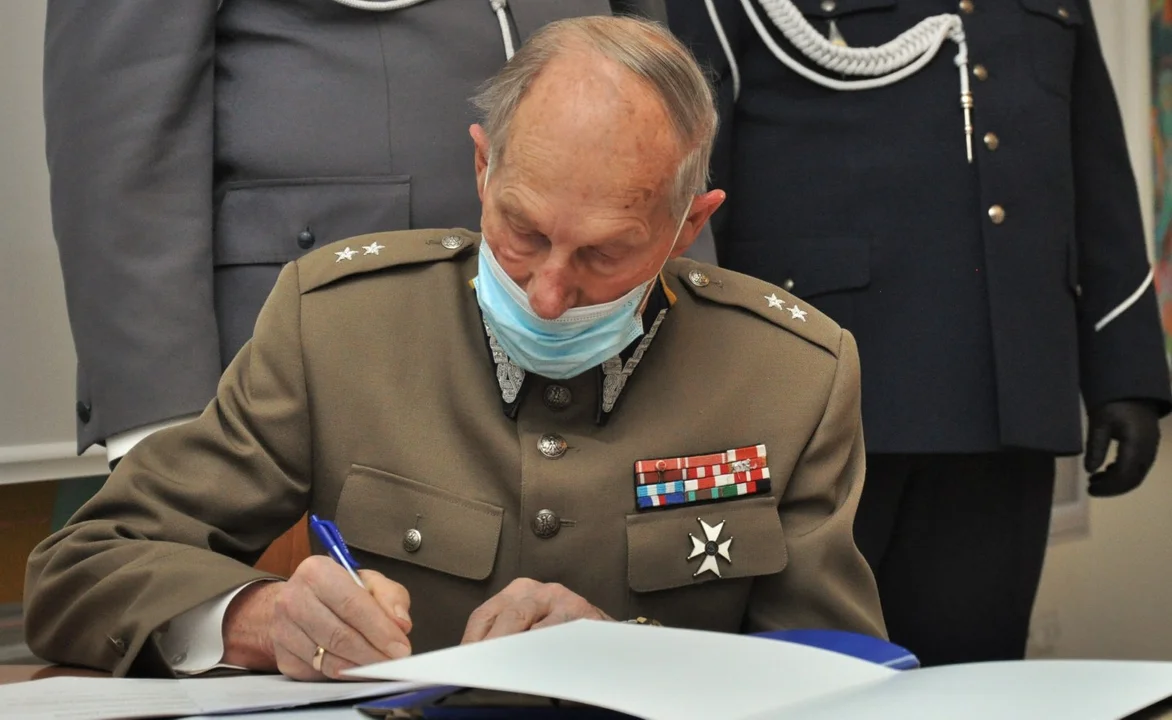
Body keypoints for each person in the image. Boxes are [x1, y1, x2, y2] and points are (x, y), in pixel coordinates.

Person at [24, 16, 884, 680]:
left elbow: (840, 677)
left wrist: (633, 655)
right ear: (482, 170)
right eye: (522, 231)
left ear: (689, 226)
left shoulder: (790, 376)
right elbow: (81, 570)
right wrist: (261, 616)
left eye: (603, 254)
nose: (548, 294)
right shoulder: (341, 328)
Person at [666, 0, 1171, 666]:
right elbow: (693, 160)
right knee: (806, 680)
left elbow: (1091, 154)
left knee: (977, 679)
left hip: (1009, 391)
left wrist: (1124, 367)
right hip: (816, 395)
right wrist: (680, 370)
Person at [42, 0, 715, 470]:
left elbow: (659, 78)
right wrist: (163, 436)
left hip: (597, 333)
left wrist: (696, 329)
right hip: (322, 360)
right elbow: (120, 136)